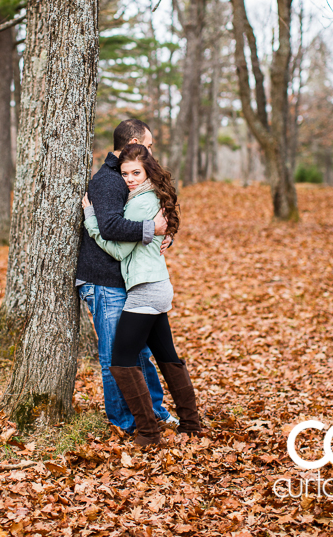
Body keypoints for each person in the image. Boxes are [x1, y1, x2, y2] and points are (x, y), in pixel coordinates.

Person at [82, 142, 201, 447]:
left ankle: (148, 433)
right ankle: (191, 423)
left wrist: (91, 220)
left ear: (148, 171)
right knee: (166, 356)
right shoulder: (149, 197)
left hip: (145, 290)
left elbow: (120, 250)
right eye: (125, 173)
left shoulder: (137, 204)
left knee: (121, 360)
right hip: (157, 285)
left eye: (136, 172)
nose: (130, 179)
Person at [76, 119, 175, 433]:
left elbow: (152, 209)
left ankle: (153, 411)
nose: (152, 149)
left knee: (140, 352)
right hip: (103, 280)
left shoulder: (129, 177)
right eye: (149, 142)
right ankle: (125, 421)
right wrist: (151, 230)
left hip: (125, 280)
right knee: (114, 357)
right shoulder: (109, 180)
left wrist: (165, 231)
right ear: (134, 141)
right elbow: (110, 228)